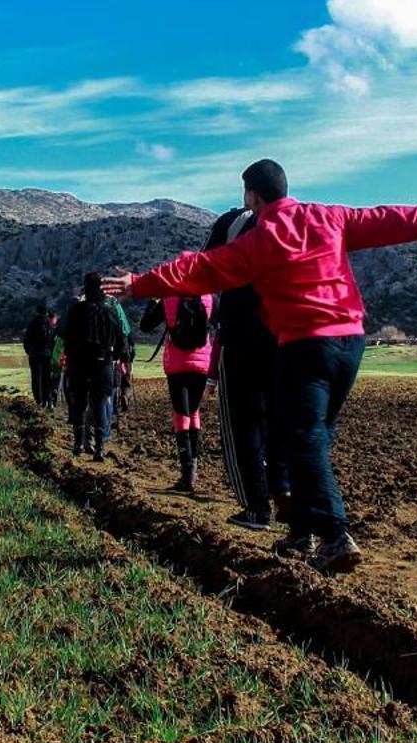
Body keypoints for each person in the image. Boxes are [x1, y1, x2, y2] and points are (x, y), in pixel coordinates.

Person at [105, 160, 417, 574]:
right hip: (352, 342)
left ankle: (334, 535)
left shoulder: (263, 239)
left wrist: (140, 284)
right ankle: (302, 528)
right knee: (313, 434)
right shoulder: (329, 216)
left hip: (307, 346)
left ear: (252, 196)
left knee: (301, 436)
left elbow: (200, 269)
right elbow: (390, 219)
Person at [205, 205, 288, 532]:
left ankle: (256, 507)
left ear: (251, 193)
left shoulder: (232, 224)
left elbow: (206, 265)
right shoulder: (288, 227)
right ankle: (285, 492)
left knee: (244, 427)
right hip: (282, 338)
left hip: (241, 340)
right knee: (279, 421)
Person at [138, 290, 214, 493]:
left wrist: (152, 302)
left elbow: (145, 326)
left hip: (177, 365)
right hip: (202, 363)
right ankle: (194, 468)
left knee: (181, 414)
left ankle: (187, 473)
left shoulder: (168, 299)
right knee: (194, 411)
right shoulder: (209, 297)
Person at [61, 273, 128, 459]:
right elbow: (121, 339)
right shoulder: (109, 311)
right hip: (102, 363)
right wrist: (114, 358)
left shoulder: (76, 310)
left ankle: (78, 445)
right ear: (101, 288)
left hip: (79, 364)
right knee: (99, 405)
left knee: (80, 403)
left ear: (85, 288)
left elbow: (65, 335)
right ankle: (99, 448)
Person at [21, 305, 55, 407]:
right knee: (47, 378)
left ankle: (38, 401)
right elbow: (54, 340)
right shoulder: (50, 324)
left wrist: (29, 351)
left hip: (35, 353)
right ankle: (48, 400)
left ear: (37, 312)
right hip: (47, 354)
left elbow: (26, 340)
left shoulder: (33, 323)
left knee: (36, 378)